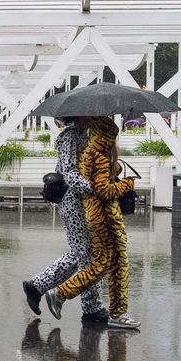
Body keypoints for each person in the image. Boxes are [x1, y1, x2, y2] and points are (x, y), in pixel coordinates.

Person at [45, 117, 140, 329]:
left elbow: (97, 180)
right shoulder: (83, 145)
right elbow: (98, 187)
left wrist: (111, 173)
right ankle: (63, 295)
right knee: (101, 261)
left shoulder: (91, 148)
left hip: (95, 211)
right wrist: (126, 184)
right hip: (98, 213)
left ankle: (91, 306)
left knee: (100, 260)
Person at [23, 117, 108, 323]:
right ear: (78, 115)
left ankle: (37, 286)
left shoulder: (83, 136)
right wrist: (94, 187)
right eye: (90, 114)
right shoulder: (70, 137)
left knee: (82, 254)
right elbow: (69, 173)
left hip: (83, 202)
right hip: (73, 202)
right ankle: (91, 309)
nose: (94, 118)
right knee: (88, 256)